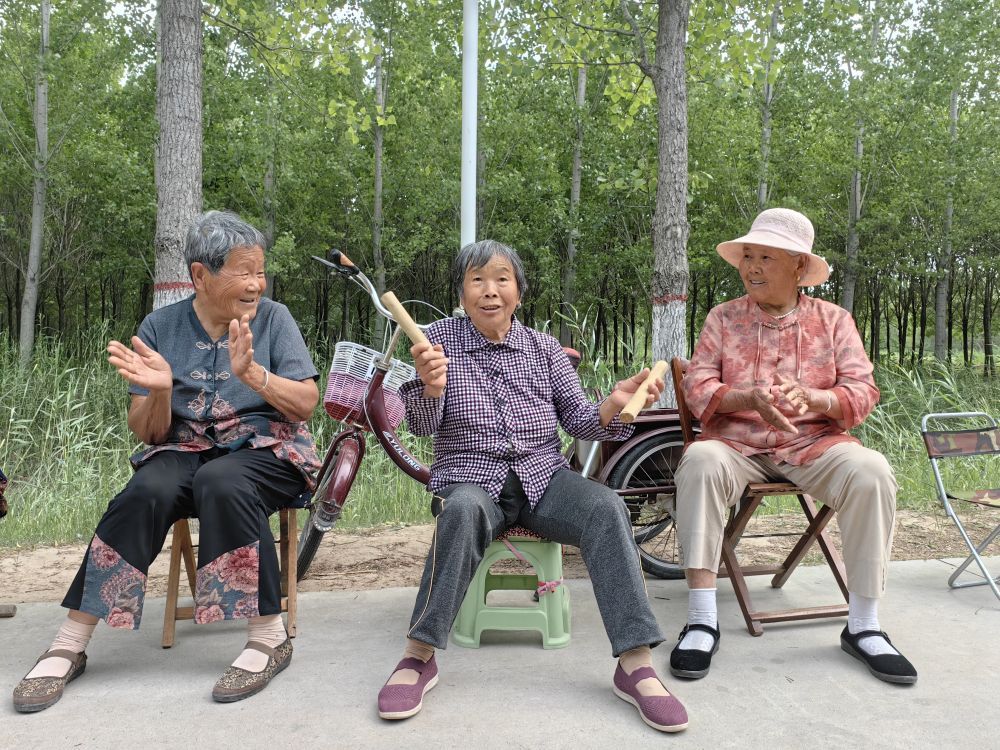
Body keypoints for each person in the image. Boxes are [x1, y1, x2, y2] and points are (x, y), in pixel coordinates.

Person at [12, 211, 321, 712]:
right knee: (144, 492)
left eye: (260, 271)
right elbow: (151, 431)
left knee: (224, 480)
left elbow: (306, 404)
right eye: (244, 272)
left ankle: (267, 637)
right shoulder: (159, 327)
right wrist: (158, 391)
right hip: (183, 447)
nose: (256, 284)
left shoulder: (275, 319)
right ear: (201, 275)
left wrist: (255, 376)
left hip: (268, 448)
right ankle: (70, 642)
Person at [376, 239, 688, 733]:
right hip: (472, 479)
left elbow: (584, 422)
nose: (490, 290)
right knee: (461, 511)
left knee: (606, 507)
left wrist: (615, 402)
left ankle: (635, 664)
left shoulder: (543, 349)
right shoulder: (436, 340)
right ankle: (419, 655)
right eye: (477, 280)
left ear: (519, 291)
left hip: (544, 479)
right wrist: (431, 388)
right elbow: (419, 424)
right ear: (462, 291)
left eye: (502, 279)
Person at [669, 207, 916, 685]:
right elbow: (697, 386)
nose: (752, 268)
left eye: (765, 257)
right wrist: (744, 398)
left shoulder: (834, 320)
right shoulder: (723, 318)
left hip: (813, 443)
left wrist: (820, 398)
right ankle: (702, 619)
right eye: (747, 257)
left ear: (799, 267)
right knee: (699, 459)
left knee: (873, 472)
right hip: (736, 445)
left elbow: (863, 391)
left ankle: (864, 626)